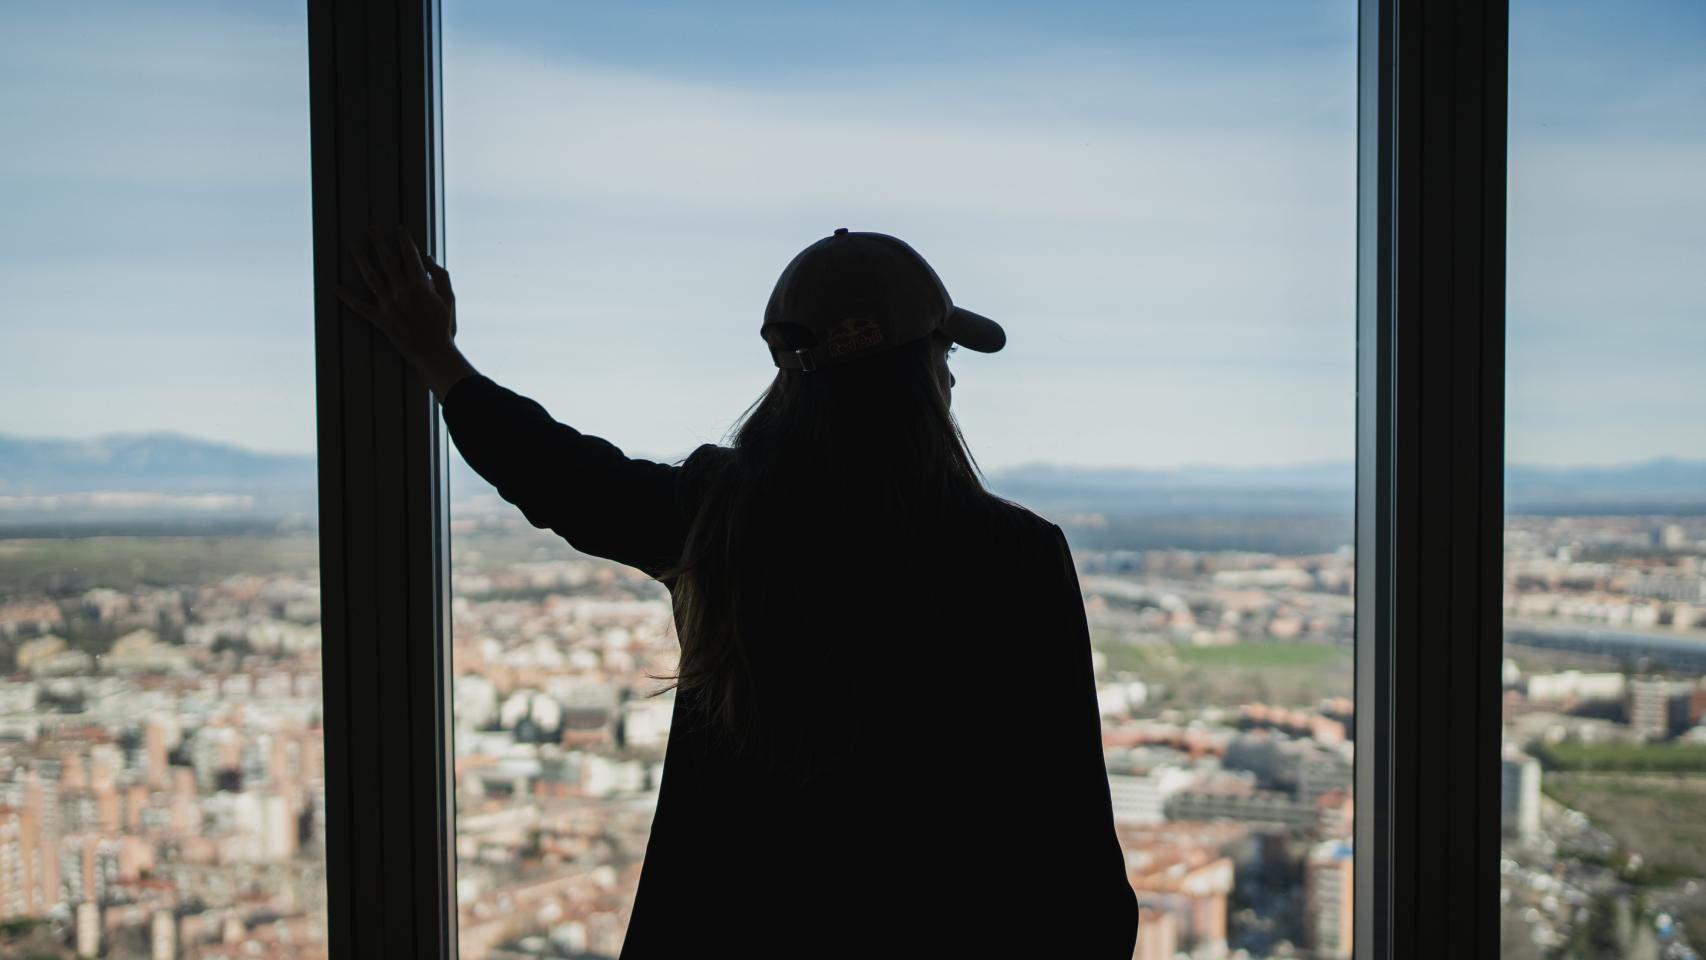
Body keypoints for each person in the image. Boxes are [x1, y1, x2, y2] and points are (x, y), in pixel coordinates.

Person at [339, 225, 1139, 958]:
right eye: (942, 355)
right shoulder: (1016, 558)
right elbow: (1073, 856)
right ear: (920, 374)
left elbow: (560, 474)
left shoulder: (719, 517)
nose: (952, 377)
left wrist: (439, 362)